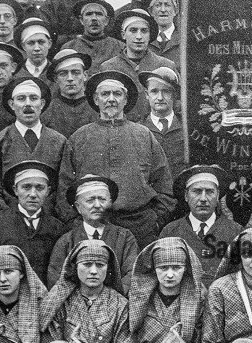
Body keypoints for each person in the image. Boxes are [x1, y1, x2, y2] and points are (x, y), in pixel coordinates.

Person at [59, 69, 174, 247]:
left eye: (117, 94)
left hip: (139, 226)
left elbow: (164, 184)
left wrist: (155, 220)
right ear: (96, 100)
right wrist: (75, 223)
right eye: (105, 94)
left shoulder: (143, 135)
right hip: (92, 226)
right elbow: (64, 187)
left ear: (125, 100)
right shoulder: (79, 138)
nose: (111, 99)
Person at [42, 240, 134, 343]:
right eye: (86, 264)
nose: (93, 271)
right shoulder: (60, 302)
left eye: (100, 265)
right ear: (75, 267)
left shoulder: (121, 305)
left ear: (108, 268)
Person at [129, 237, 212, 343]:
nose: (169, 274)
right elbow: (130, 341)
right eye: (163, 268)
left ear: (186, 268)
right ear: (154, 269)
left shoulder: (199, 299)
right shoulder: (140, 297)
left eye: (176, 268)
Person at [0, 77, 67, 217]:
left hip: (50, 221)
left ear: (42, 103)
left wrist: (53, 219)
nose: (28, 104)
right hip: (9, 221)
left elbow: (64, 185)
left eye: (33, 98)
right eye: (21, 98)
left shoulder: (59, 141)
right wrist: (5, 219)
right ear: (12, 104)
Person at [46, 173, 137, 290]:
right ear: (78, 207)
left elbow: (132, 274)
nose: (97, 205)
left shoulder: (124, 237)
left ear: (110, 203)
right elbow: (56, 279)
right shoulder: (67, 241)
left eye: (102, 199)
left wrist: (112, 299)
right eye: (90, 200)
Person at [158, 164, 241, 286]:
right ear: (186, 196)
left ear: (218, 196)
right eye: (196, 191)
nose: (203, 198)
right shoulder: (170, 232)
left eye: (209, 192)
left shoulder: (235, 231)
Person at [99, 6, 175, 122]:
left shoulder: (165, 65)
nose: (139, 37)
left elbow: (176, 105)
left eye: (144, 31)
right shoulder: (109, 67)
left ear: (150, 35)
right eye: (133, 30)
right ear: (123, 34)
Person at [44, 48, 98, 142]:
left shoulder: (96, 109)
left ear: (85, 75)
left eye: (75, 73)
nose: (70, 78)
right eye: (63, 73)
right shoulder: (47, 112)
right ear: (56, 79)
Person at [63, 0, 124, 66]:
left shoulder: (120, 47)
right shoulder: (69, 47)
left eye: (99, 14)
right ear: (81, 20)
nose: (94, 18)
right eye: (89, 14)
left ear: (106, 20)